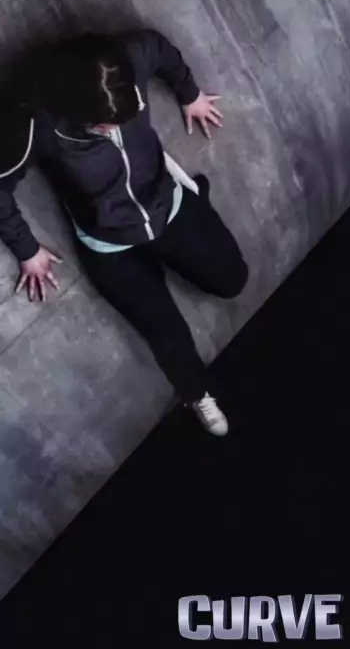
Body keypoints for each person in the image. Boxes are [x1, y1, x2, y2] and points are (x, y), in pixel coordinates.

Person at [0, 29, 249, 436]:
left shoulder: (130, 58)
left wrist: (190, 94)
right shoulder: (35, 124)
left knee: (233, 280)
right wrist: (26, 249)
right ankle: (198, 393)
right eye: (103, 127)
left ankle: (193, 195)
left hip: (166, 204)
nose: (115, 128)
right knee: (164, 330)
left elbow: (160, 49)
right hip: (108, 243)